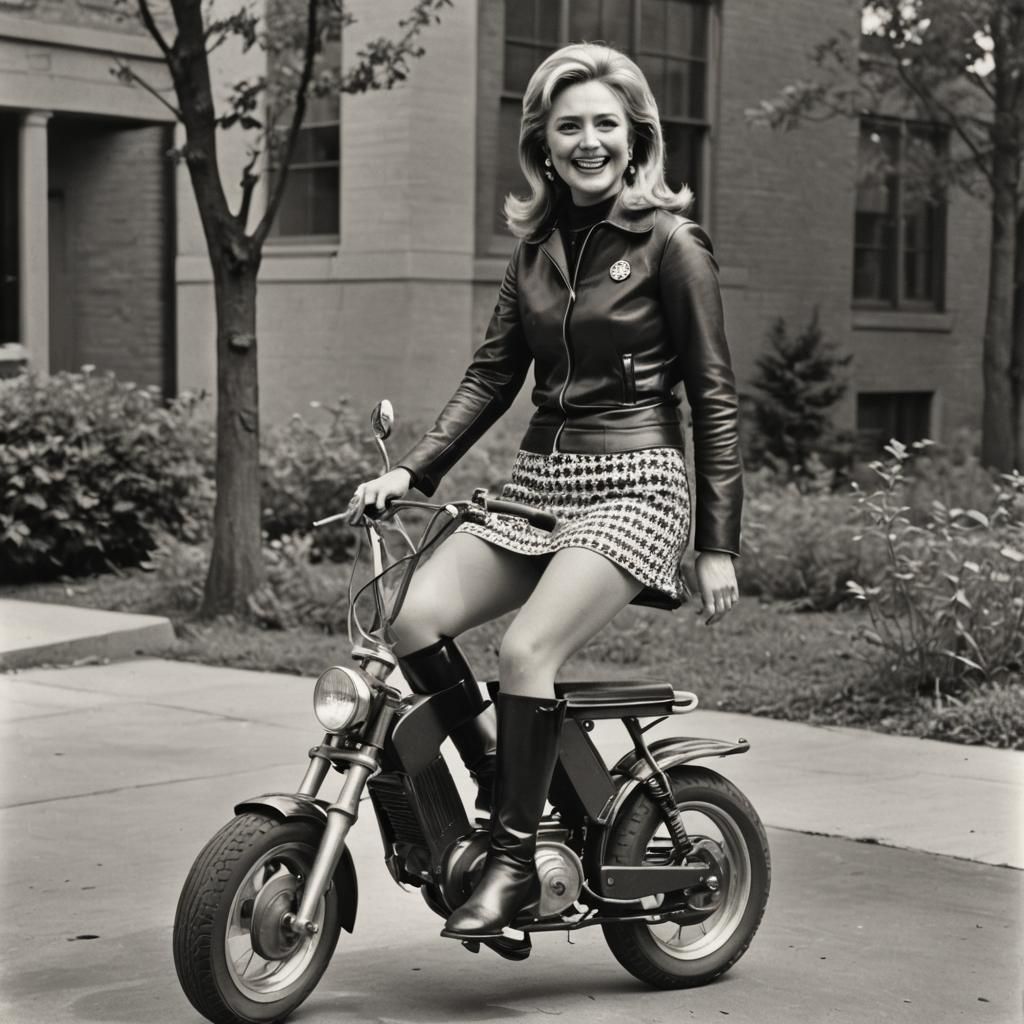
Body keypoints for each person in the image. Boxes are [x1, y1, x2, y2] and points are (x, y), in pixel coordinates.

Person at [347, 42, 742, 944]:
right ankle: (497, 769)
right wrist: (412, 471)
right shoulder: (533, 247)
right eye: (571, 126)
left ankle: (513, 865)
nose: (589, 140)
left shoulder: (671, 244)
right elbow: (492, 376)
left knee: (527, 651)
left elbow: (715, 396)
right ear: (543, 142)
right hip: (542, 480)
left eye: (607, 123)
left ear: (637, 137)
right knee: (407, 618)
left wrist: (716, 540)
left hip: (638, 479)